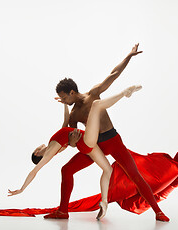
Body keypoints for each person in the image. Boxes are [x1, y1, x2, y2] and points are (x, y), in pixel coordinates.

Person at [43, 43, 170, 222]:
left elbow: (113, 75)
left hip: (112, 140)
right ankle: (63, 211)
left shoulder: (93, 94)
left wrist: (129, 56)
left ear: (72, 92)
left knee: (135, 175)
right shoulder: (74, 113)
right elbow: (67, 134)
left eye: (65, 98)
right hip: (94, 146)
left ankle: (158, 211)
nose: (64, 101)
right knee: (67, 170)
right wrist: (71, 137)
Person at [8, 85, 142, 220]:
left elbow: (65, 122)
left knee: (108, 170)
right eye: (36, 150)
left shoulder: (54, 145)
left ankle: (104, 202)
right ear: (37, 153)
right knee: (95, 106)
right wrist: (21, 189)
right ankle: (124, 93)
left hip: (88, 145)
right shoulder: (50, 150)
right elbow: (35, 171)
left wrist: (64, 105)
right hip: (86, 141)